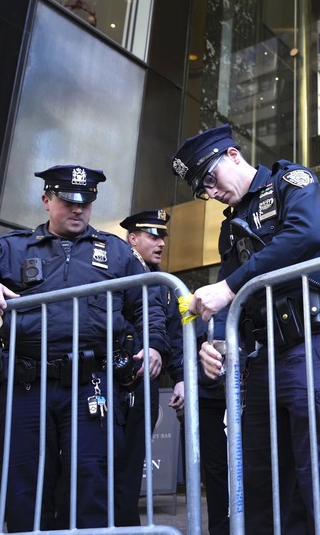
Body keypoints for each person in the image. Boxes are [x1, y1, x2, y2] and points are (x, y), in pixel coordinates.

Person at [0, 164, 168, 531]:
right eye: (67, 201)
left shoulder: (116, 253)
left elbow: (147, 302)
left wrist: (154, 345)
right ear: (47, 201)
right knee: (22, 485)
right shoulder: (12, 248)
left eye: (86, 202)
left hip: (91, 384)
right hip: (27, 386)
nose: (78, 209)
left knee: (92, 480)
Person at [172, 124, 320, 534]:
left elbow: (306, 234)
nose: (210, 191)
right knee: (260, 483)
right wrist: (216, 342)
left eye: (210, 177)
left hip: (314, 346)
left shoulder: (292, 182)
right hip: (262, 361)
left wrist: (230, 286)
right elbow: (228, 296)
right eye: (201, 188)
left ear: (234, 155)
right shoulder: (231, 226)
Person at [114, 209, 185, 526]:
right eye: (152, 236)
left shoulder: (167, 285)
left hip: (144, 386)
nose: (160, 243)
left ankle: (126, 523)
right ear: (132, 239)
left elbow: (177, 337)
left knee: (132, 460)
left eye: (162, 237)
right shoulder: (113, 273)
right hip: (106, 380)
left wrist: (182, 377)